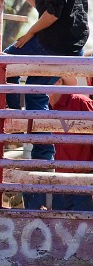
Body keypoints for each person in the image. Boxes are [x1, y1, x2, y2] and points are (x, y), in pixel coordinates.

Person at [0, 0, 89, 210]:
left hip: (54, 40)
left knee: (4, 62)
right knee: (36, 96)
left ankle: (11, 124)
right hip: (70, 44)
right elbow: (44, 4)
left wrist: (26, 36)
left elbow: (52, 13)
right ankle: (40, 157)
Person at [48, 77, 93, 211]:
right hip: (56, 183)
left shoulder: (80, 103)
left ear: (59, 81)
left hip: (83, 183)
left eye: (46, 78)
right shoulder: (40, 107)